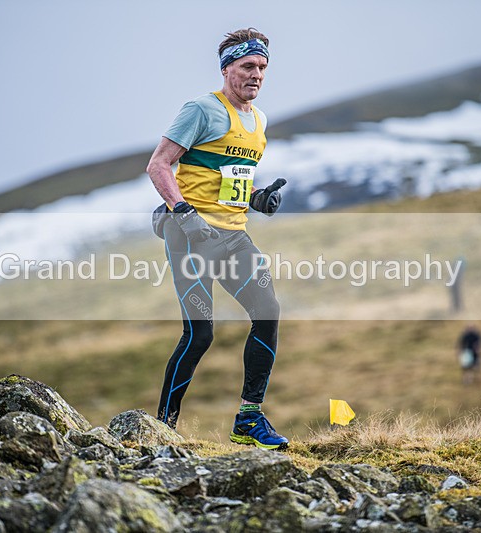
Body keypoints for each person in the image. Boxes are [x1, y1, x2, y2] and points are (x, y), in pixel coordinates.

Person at [146, 28, 288, 450]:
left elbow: (226, 180)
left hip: (232, 236)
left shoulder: (258, 121)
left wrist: (258, 198)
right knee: (200, 334)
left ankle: (248, 418)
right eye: (248, 66)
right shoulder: (202, 109)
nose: (256, 75)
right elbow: (159, 165)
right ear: (227, 69)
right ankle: (163, 429)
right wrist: (182, 212)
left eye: (262, 67)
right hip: (189, 236)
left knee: (268, 311)